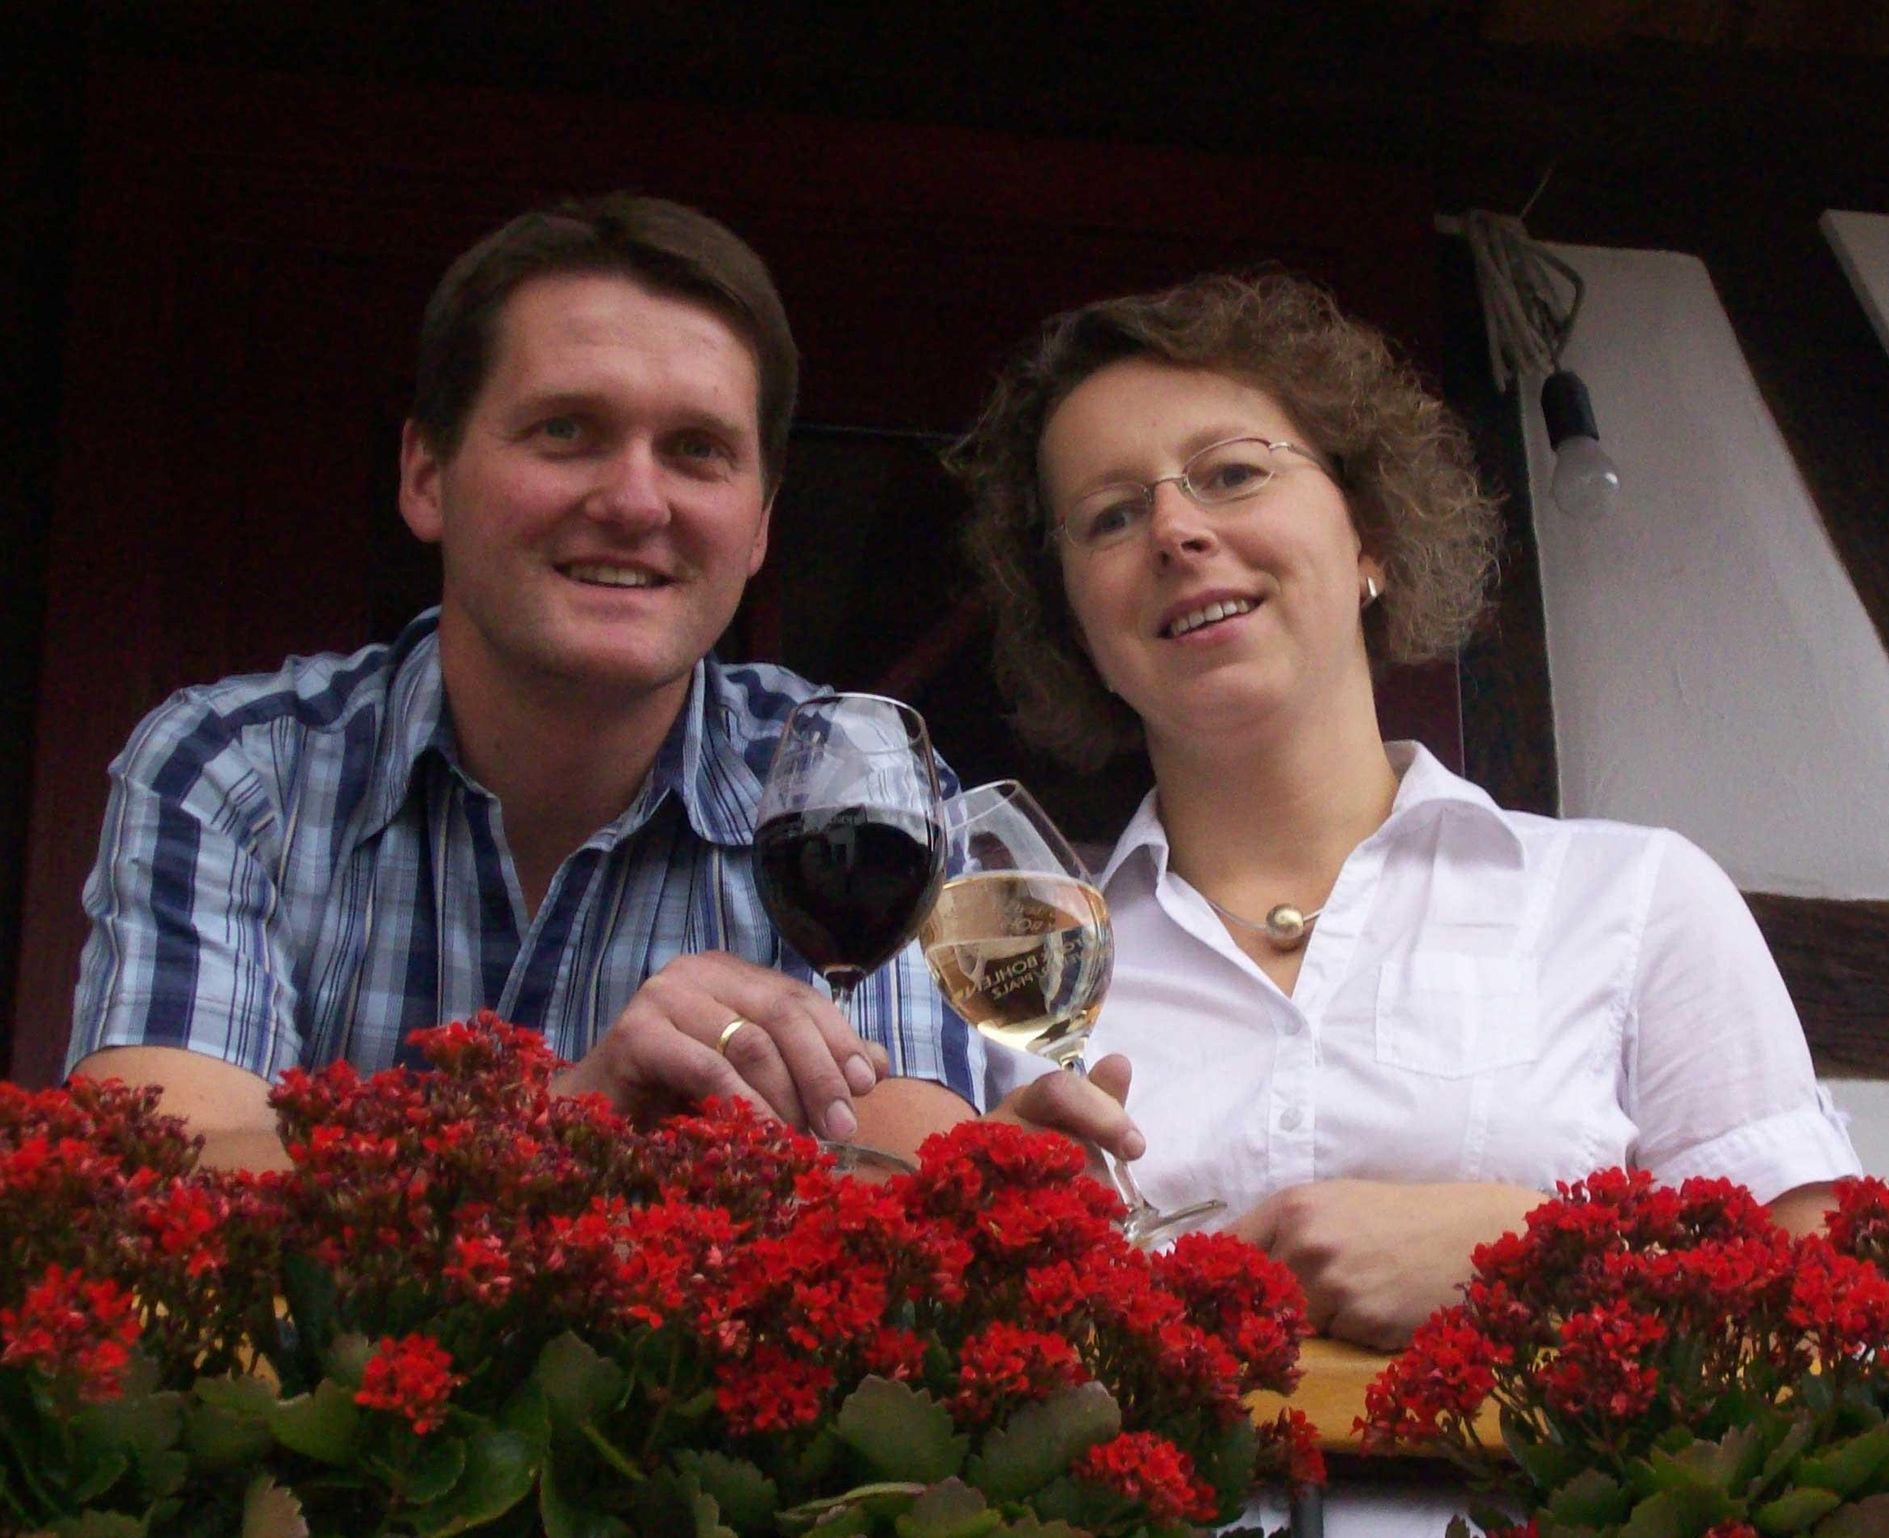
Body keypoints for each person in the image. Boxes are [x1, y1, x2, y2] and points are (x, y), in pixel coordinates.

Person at [949, 273, 1862, 1533]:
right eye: (1109, 515)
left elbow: (1834, 1331)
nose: (1174, 529)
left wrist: (1530, 1257)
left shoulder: (1631, 897)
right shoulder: (1011, 972)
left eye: (1231, 472)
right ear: (1077, 625)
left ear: (1368, 534)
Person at [67, 193, 1136, 1175]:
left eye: (696, 450)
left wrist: (987, 1193)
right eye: (566, 430)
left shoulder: (857, 789)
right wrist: (569, 1119)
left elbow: (891, 1180)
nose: (633, 501)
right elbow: (146, 1184)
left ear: (760, 526)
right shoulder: (236, 769)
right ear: (426, 476)